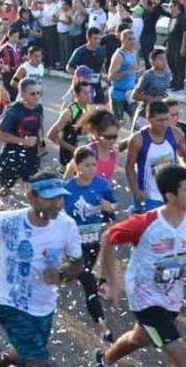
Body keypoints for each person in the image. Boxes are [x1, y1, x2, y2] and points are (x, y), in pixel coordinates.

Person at [94, 165, 186, 367]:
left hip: (171, 296)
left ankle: (105, 360)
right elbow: (107, 237)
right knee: (183, 359)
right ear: (170, 196)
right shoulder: (146, 223)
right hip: (144, 296)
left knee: (140, 338)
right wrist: (112, 282)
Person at [0, 172, 84, 367]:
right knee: (39, 362)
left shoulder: (67, 225)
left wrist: (62, 274)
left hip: (44, 306)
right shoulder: (8, 220)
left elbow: (78, 263)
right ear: (31, 196)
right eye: (51, 198)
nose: (58, 204)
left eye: (60, 197)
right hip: (10, 303)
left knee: (26, 354)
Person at [63, 147, 117, 344]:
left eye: (94, 164)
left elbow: (113, 207)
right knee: (88, 281)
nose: (92, 169)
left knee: (77, 273)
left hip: (93, 241)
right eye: (87, 165)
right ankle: (103, 327)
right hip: (73, 243)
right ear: (76, 167)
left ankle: (62, 276)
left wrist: (110, 208)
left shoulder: (102, 185)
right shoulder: (67, 188)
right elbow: (56, 214)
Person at [125, 101, 186, 214]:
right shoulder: (138, 140)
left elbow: (183, 156)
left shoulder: (177, 134)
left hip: (170, 193)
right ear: (149, 120)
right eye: (159, 120)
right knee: (150, 230)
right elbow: (129, 168)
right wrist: (136, 191)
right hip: (148, 196)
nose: (164, 124)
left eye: (166, 119)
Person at [0, 78, 45, 200]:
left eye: (38, 93)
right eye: (32, 94)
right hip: (12, 156)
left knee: (34, 187)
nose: (36, 96)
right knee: (5, 190)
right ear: (22, 95)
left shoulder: (38, 108)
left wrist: (42, 142)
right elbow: (0, 134)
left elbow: (40, 124)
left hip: (32, 156)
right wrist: (24, 141)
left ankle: (34, 213)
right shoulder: (13, 111)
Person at [63, 108, 121, 183]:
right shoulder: (87, 151)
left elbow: (109, 180)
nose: (112, 141)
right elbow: (67, 177)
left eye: (115, 136)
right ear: (97, 134)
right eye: (108, 137)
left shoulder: (114, 153)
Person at [47, 81, 91, 175]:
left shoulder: (88, 109)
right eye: (85, 93)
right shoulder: (69, 113)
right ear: (76, 94)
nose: (89, 95)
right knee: (64, 184)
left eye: (90, 92)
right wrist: (71, 148)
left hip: (83, 157)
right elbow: (51, 135)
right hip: (67, 159)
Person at [131, 49, 170, 131]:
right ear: (152, 61)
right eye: (161, 59)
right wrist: (153, 99)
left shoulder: (167, 74)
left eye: (165, 59)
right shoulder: (147, 76)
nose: (164, 62)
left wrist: (165, 97)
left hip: (159, 113)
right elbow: (134, 95)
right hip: (144, 113)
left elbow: (163, 92)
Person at [106, 29, 140, 123]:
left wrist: (137, 74)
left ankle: (134, 137)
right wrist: (128, 71)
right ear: (123, 40)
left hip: (130, 94)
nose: (132, 41)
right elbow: (111, 76)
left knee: (137, 120)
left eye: (134, 39)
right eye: (129, 39)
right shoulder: (119, 55)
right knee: (117, 123)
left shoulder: (134, 52)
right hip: (118, 94)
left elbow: (133, 72)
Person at [67, 27, 107, 104]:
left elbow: (102, 66)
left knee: (99, 108)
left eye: (99, 38)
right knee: (75, 109)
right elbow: (69, 67)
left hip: (96, 84)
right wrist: (80, 77)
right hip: (82, 86)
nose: (97, 41)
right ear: (88, 38)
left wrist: (104, 75)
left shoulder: (101, 50)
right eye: (95, 38)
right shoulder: (80, 51)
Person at [0, 27, 24, 102]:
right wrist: (2, 66)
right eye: (14, 36)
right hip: (7, 74)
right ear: (9, 36)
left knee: (17, 93)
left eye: (17, 36)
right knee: (9, 94)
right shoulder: (4, 47)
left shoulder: (18, 47)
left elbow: (21, 58)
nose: (16, 39)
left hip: (17, 73)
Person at [166, 0, 186, 92]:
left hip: (178, 45)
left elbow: (185, 33)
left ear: (176, 6)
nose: (169, 9)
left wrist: (183, 47)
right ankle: (174, 81)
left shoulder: (182, 17)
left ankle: (179, 84)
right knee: (171, 63)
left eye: (171, 6)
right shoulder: (172, 17)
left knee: (179, 65)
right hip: (171, 45)